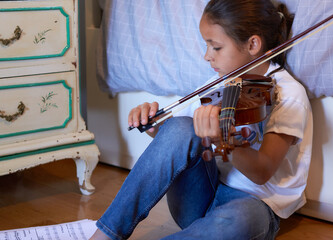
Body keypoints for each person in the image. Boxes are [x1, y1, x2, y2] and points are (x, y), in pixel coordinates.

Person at [90, 0, 313, 239]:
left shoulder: (288, 95)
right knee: (179, 127)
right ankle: (107, 233)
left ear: (253, 44)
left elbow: (262, 172)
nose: (207, 56)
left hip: (255, 205)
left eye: (215, 47)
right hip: (200, 197)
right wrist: (154, 127)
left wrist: (222, 138)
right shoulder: (217, 86)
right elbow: (181, 136)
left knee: (240, 220)